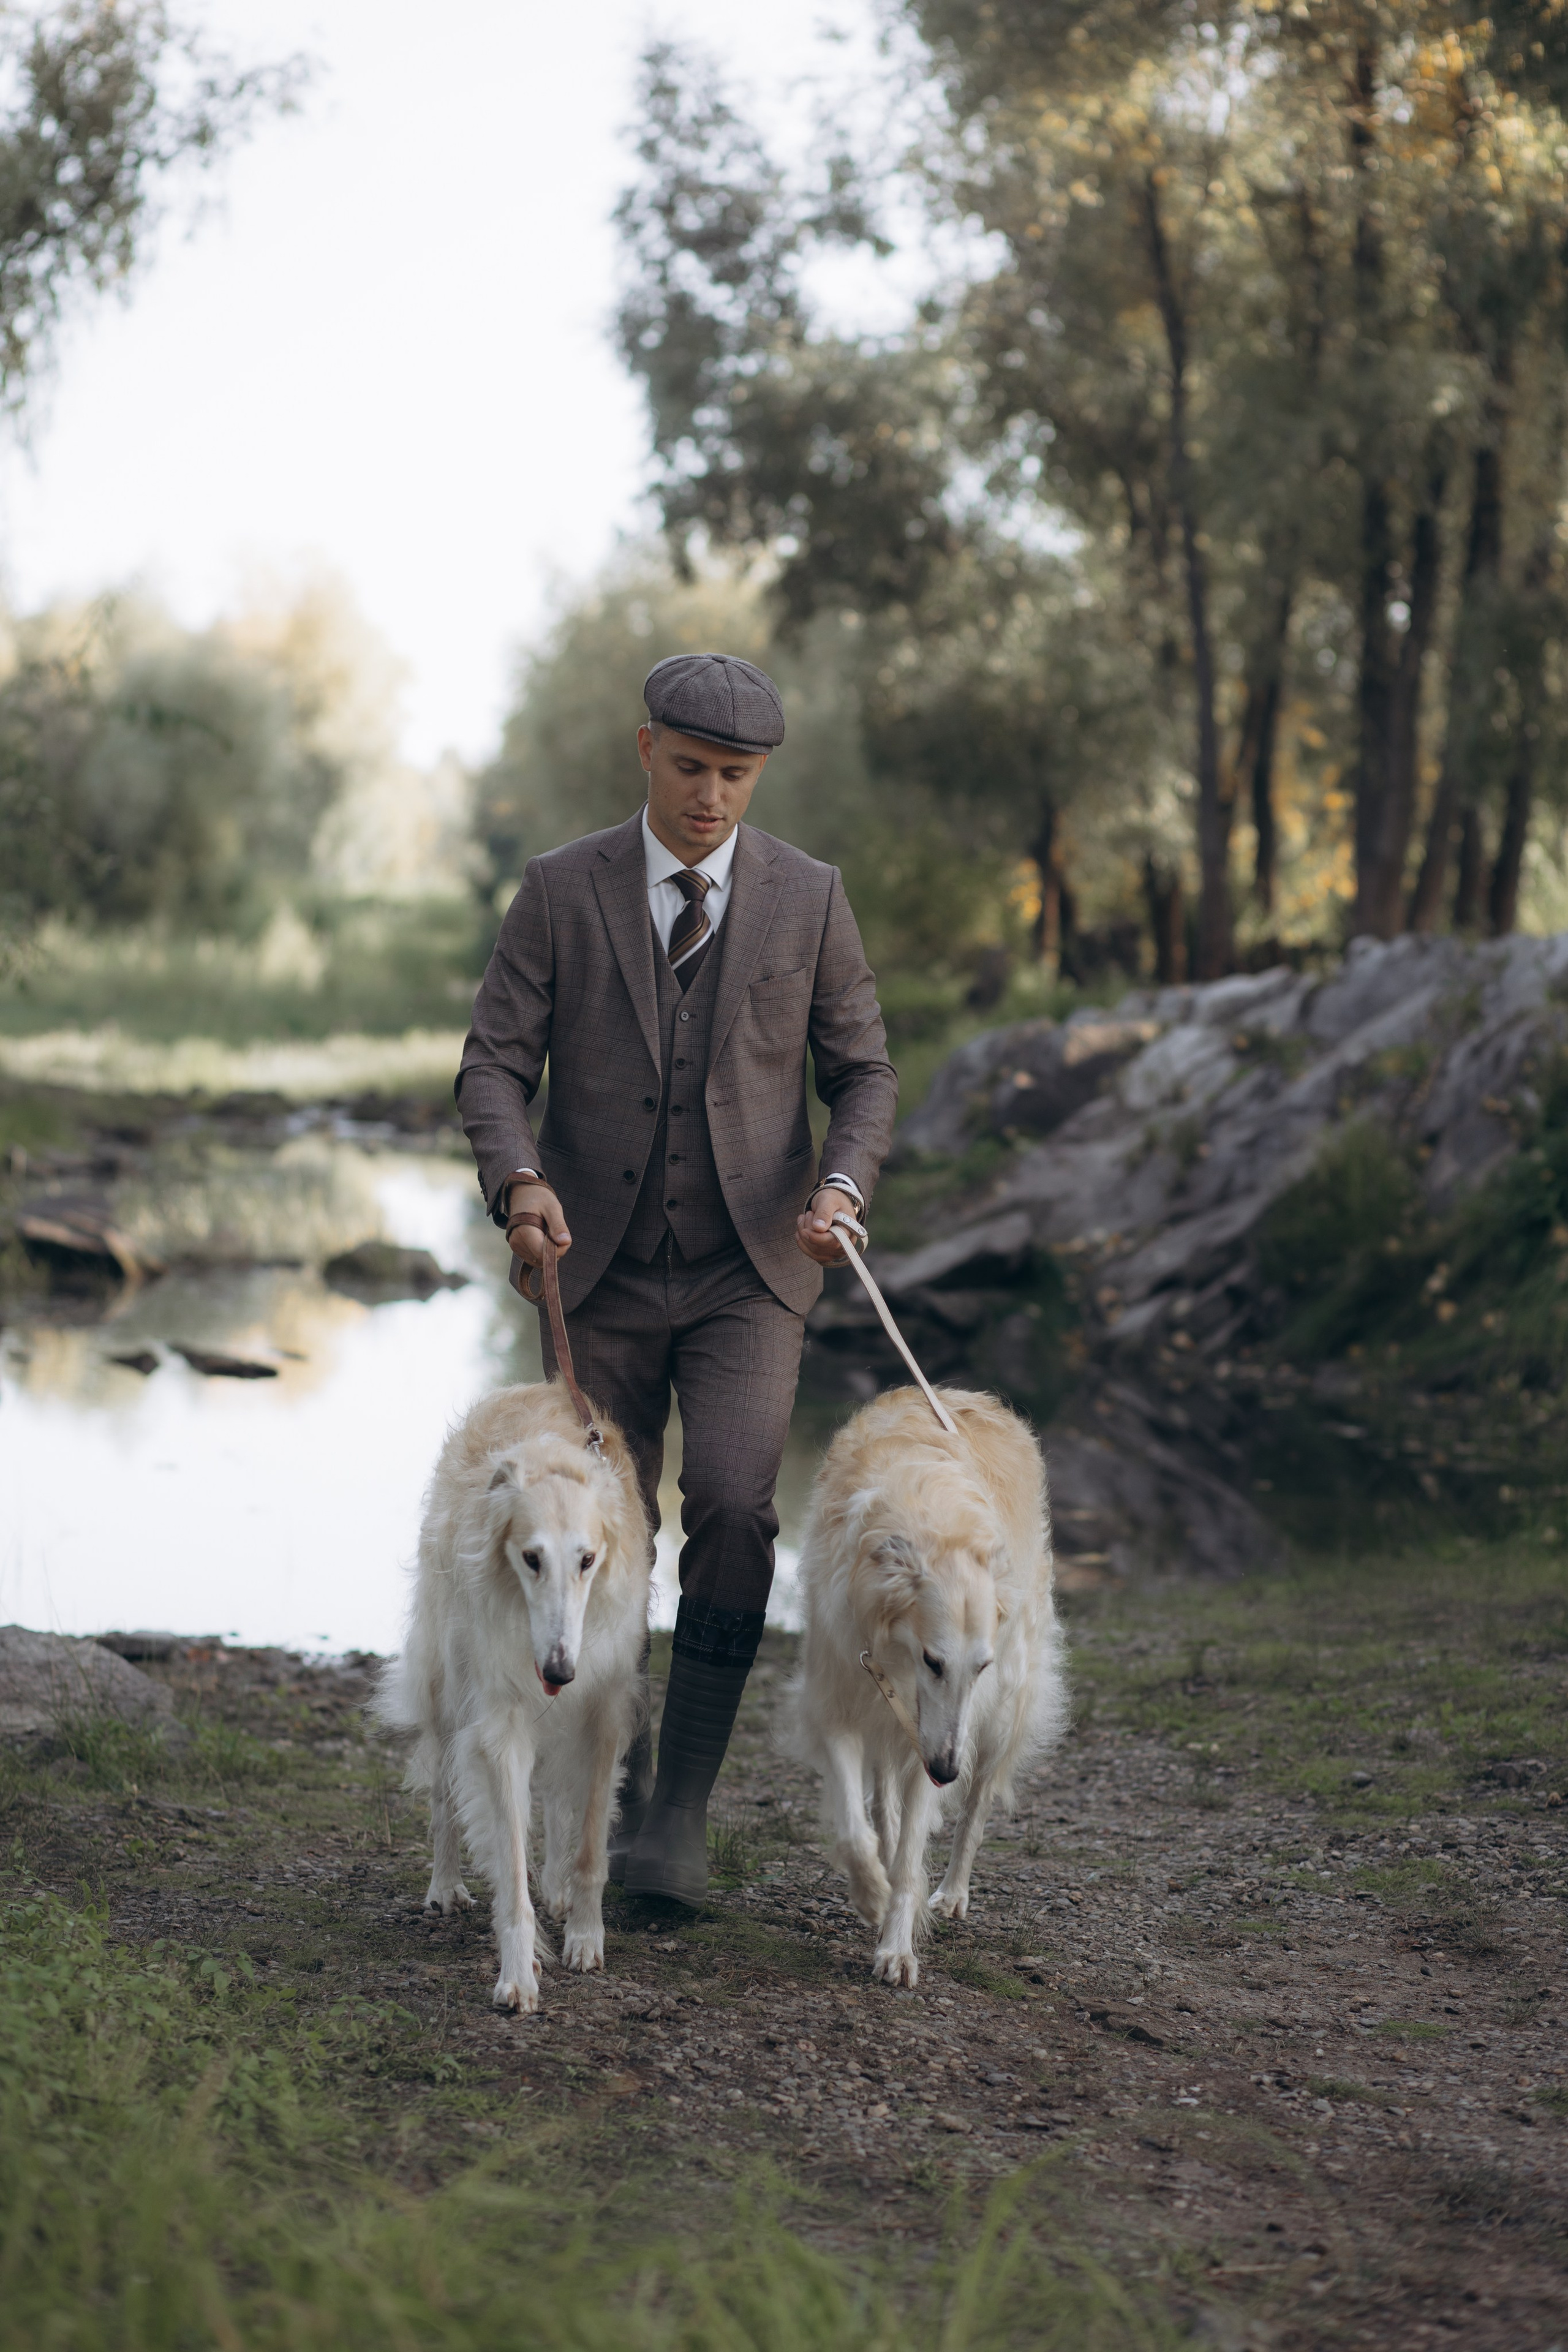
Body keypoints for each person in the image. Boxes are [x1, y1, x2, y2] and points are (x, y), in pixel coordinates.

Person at [456, 652, 898, 1904]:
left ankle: (679, 1820)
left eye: (737, 776)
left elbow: (862, 1073)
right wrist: (519, 1183)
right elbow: (491, 1067)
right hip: (585, 1276)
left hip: (750, 1270)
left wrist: (841, 1191)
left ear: (759, 776)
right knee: (604, 1534)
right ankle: (619, 1773)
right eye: (693, 768)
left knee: (738, 1509)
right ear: (644, 748)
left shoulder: (808, 899)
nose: (712, 797)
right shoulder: (558, 890)